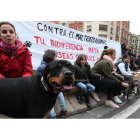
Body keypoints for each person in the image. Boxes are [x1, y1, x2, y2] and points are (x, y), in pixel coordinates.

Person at [36, 49, 67, 118]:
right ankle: (55, 114)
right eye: (55, 56)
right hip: (47, 88)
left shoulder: (54, 66)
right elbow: (38, 78)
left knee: (59, 94)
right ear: (50, 57)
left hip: (54, 86)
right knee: (50, 100)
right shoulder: (43, 67)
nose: (57, 58)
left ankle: (61, 111)